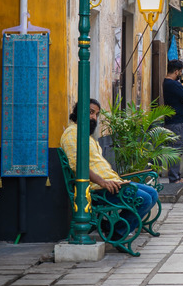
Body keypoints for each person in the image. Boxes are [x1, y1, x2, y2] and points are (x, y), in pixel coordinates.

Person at [60, 99, 159, 244]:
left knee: (152, 193)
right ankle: (117, 233)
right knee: (145, 199)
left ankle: (113, 228)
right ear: (79, 111)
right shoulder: (72, 134)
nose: (94, 117)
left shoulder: (84, 135)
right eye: (91, 112)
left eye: (96, 114)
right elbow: (78, 166)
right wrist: (103, 182)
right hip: (98, 189)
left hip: (112, 183)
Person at [162, 59, 183, 183]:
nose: (180, 74)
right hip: (177, 121)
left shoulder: (166, 83)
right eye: (180, 72)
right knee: (176, 149)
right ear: (176, 71)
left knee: (174, 149)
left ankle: (176, 177)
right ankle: (174, 178)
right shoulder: (174, 84)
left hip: (172, 120)